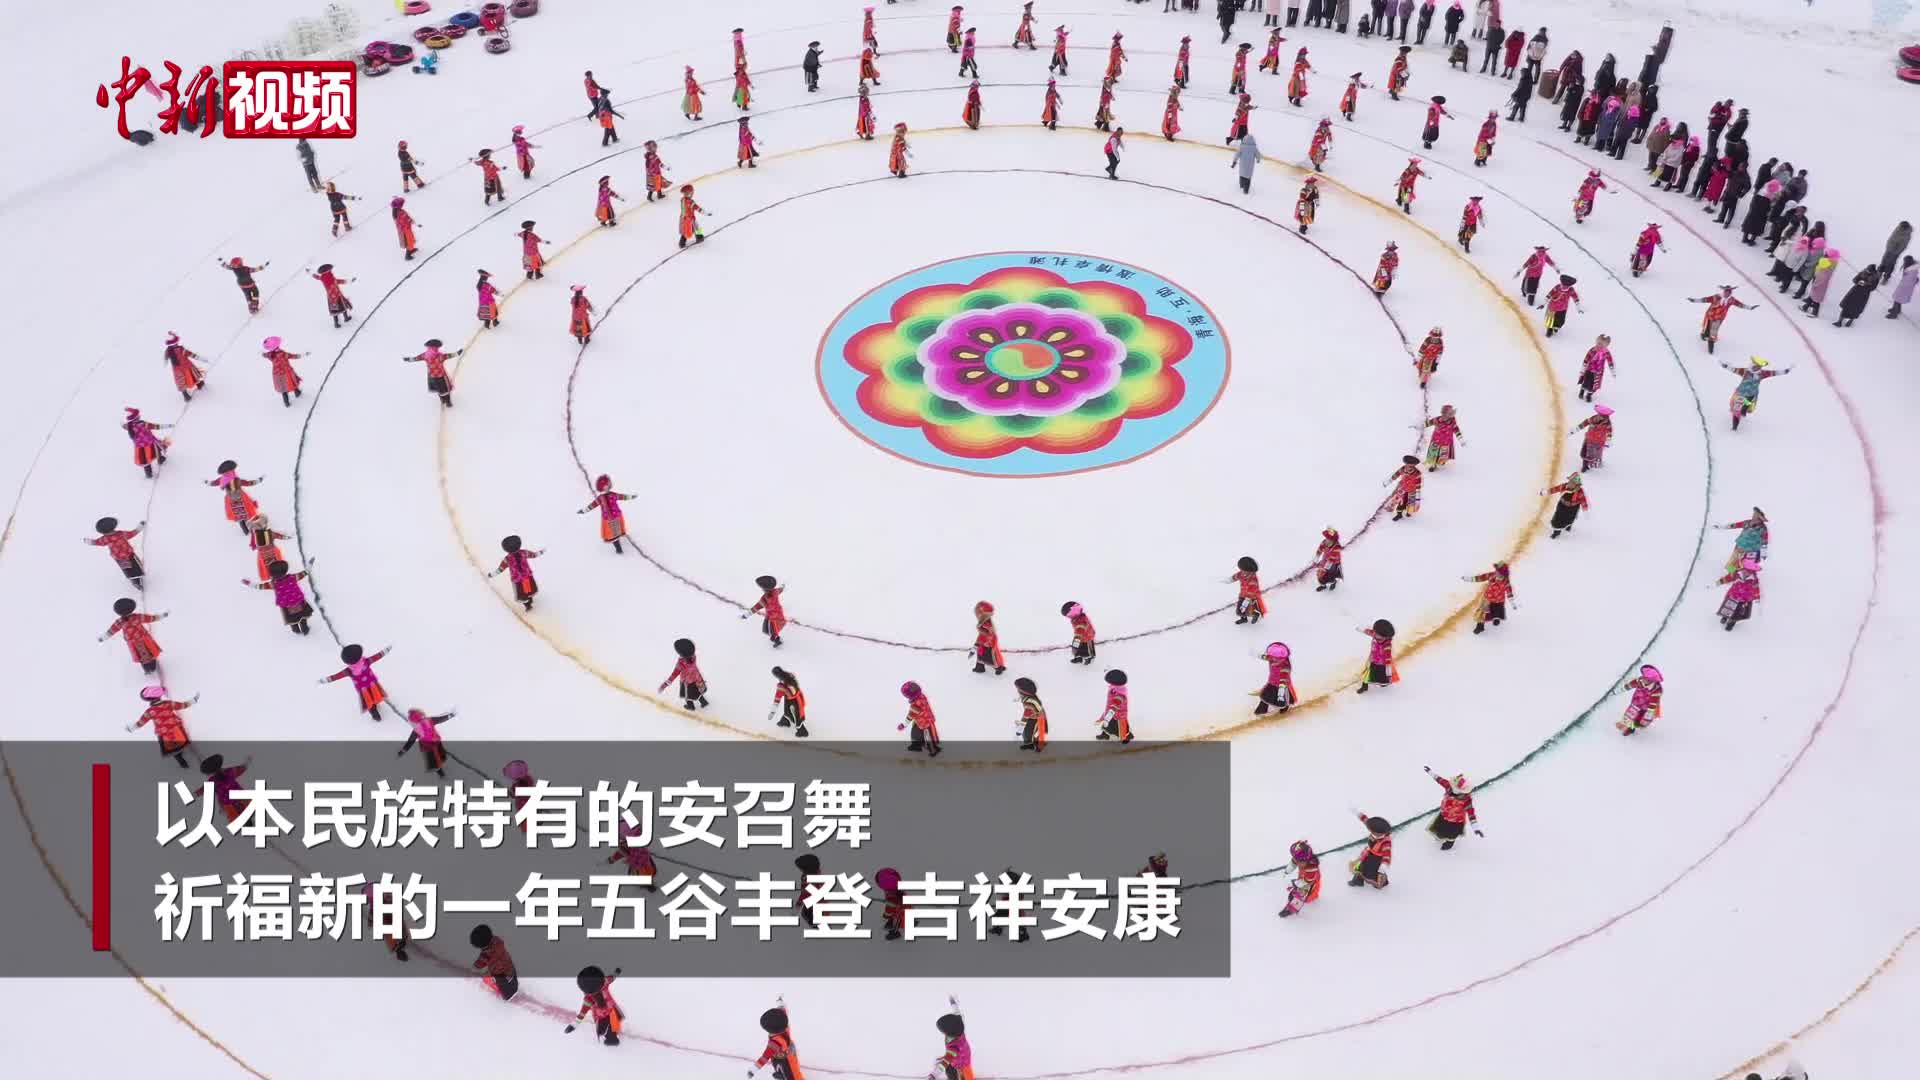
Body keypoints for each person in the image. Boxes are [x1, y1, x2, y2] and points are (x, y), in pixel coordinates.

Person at [128, 685, 196, 768]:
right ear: (159, 696)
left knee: (172, 748)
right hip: (175, 729)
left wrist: (133, 727)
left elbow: (141, 722)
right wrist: (193, 701)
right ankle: (181, 751)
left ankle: (180, 760)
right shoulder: (168, 704)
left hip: (164, 734)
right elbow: (183, 705)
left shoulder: (150, 711)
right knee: (180, 743)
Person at [319, 643, 391, 721]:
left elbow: (337, 676)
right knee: (374, 696)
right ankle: (375, 708)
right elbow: (377, 656)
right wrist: (385, 651)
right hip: (372, 684)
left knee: (369, 701)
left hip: (363, 689)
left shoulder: (348, 671)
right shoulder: (366, 661)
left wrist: (327, 680)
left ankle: (374, 713)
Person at [99, 598, 167, 674]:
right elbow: (151, 618)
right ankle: (150, 667)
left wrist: (104, 637)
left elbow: (112, 630)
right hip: (140, 639)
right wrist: (161, 616)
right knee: (146, 652)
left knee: (143, 654)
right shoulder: (136, 617)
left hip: (136, 641)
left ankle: (148, 668)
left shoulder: (120, 622)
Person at [564, 966, 624, 1046]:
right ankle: (608, 1036)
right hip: (601, 1018)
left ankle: (612, 1033)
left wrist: (616, 973)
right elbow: (582, 1013)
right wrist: (573, 1025)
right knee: (605, 1029)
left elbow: (611, 978)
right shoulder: (589, 999)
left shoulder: (604, 983)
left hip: (612, 1010)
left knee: (616, 1021)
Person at [578, 473, 634, 553]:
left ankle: (618, 543)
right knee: (613, 535)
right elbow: (593, 505)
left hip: (617, 516)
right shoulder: (601, 498)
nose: (609, 484)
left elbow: (622, 496)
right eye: (607, 484)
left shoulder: (612, 494)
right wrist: (584, 510)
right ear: (603, 487)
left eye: (609, 483)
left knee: (617, 531)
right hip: (609, 519)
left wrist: (631, 497)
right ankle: (619, 549)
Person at [402, 338, 461, 408]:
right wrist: (457, 353)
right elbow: (448, 355)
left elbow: (417, 358)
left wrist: (409, 359)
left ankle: (443, 400)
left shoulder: (426, 355)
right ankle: (447, 401)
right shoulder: (439, 356)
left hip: (432, 376)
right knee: (444, 389)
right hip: (441, 375)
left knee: (439, 389)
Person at [487, 534, 543, 608]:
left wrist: (492, 574)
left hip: (518, 579)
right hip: (527, 576)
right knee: (528, 589)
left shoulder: (507, 559)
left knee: (522, 593)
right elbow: (534, 555)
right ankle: (529, 601)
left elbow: (500, 569)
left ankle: (527, 604)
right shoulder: (524, 552)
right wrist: (541, 552)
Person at [658, 637, 711, 710]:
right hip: (697, 678)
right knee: (697, 692)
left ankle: (691, 706)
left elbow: (673, 675)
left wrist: (665, 684)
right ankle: (704, 702)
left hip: (687, 682)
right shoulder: (693, 657)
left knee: (687, 695)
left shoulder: (681, 664)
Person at [470, 925, 519, 1001]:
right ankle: (512, 983)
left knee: (505, 990)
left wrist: (475, 966)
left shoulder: (487, 954)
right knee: (510, 974)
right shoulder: (497, 941)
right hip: (509, 965)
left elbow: (480, 963)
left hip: (499, 972)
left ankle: (508, 994)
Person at [1616, 664, 1663, 735]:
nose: (1643, 680)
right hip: (1636, 703)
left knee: (1639, 720)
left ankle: (1634, 726)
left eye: (1646, 679)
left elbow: (1653, 702)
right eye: (1644, 677)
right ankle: (1629, 728)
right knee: (1629, 716)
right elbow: (1632, 684)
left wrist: (1649, 712)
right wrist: (1625, 687)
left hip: (1646, 708)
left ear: (1652, 680)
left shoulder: (1656, 690)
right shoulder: (1640, 681)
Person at [1277, 841, 1321, 916]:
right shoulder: (1300, 860)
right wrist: (1288, 870)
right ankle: (1298, 894)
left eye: (1298, 861)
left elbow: (1307, 882)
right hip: (1304, 876)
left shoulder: (1311, 868)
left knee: (1306, 894)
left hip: (1311, 882)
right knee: (1300, 883)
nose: (1296, 862)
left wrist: (1297, 885)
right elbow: (1293, 863)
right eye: (1294, 858)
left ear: (1306, 860)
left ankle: (1294, 907)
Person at [1349, 814, 1393, 884]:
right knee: (1361, 866)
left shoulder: (1386, 842)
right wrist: (1359, 814)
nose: (1371, 832)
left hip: (1376, 859)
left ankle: (1381, 882)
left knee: (1371, 872)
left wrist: (1384, 865)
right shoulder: (1374, 830)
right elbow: (1366, 821)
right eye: (1371, 830)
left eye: (1373, 832)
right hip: (1368, 854)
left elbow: (1387, 855)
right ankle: (1358, 880)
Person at [747, 574, 787, 646]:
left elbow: (758, 606)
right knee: (767, 630)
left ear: (765, 589)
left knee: (772, 630)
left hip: (775, 616)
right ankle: (775, 637)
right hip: (771, 615)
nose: (762, 589)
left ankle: (778, 640)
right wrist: (782, 587)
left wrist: (748, 614)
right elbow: (779, 590)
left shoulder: (767, 597)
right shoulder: (774, 592)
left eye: (762, 588)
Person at [1545, 472, 1588, 538]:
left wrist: (1585, 508)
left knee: (1570, 518)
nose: (1570, 483)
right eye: (1570, 481)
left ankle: (1568, 525)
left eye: (1573, 483)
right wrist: (1547, 492)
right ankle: (1556, 532)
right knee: (1558, 518)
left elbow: (1583, 500)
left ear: (1577, 485)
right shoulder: (1564, 486)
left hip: (1572, 508)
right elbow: (1556, 489)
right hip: (1562, 505)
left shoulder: (1579, 491)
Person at [770, 666, 810, 737]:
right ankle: (785, 721)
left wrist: (772, 711)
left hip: (793, 702)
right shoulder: (790, 675)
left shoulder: (782, 686)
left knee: (796, 716)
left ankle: (802, 732)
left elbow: (777, 699)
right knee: (788, 711)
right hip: (796, 697)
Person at [1015, 677, 1048, 751]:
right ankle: (1031, 744)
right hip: (1038, 715)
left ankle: (1037, 746)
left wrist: (1019, 729)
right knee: (1032, 732)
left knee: (1029, 732)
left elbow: (1025, 717)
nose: (1017, 691)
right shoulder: (1031, 696)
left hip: (1036, 718)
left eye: (1018, 689)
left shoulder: (1029, 703)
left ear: (1024, 692)